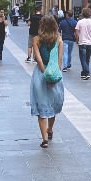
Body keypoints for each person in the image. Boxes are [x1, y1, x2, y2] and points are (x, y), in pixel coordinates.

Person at [30, 15, 65, 148]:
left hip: (40, 74)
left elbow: (38, 59)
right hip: (55, 74)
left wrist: (44, 72)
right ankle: (50, 129)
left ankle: (44, 138)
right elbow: (59, 60)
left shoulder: (36, 40)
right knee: (52, 104)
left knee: (42, 106)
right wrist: (55, 75)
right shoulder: (59, 40)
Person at [75, 7, 91, 80]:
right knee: (87, 59)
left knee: (82, 59)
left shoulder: (80, 22)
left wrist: (77, 40)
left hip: (82, 43)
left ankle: (86, 72)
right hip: (89, 43)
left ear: (82, 14)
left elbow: (76, 33)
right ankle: (84, 73)